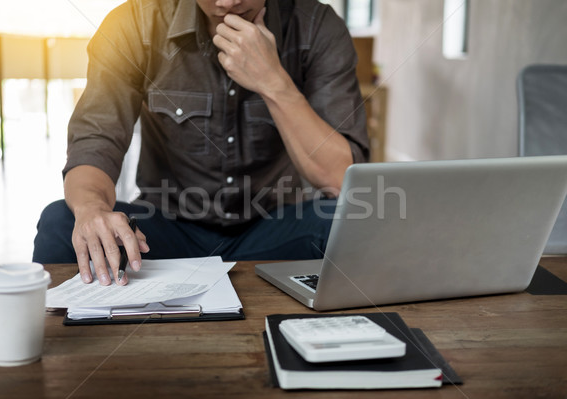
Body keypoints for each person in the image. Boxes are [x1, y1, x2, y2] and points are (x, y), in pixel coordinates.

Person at [33, 0, 369, 286]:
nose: (228, 3)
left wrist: (273, 81)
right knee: (62, 222)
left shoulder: (316, 26)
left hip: (275, 229)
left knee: (356, 220)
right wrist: (92, 209)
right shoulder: (135, 22)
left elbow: (341, 178)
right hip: (164, 231)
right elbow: (96, 140)